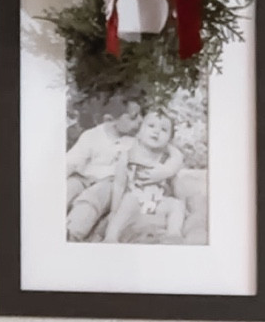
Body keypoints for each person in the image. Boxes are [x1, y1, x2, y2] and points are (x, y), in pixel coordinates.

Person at [65, 96, 142, 241]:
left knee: (92, 199)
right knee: (69, 187)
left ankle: (73, 231)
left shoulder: (134, 141)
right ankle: (46, 218)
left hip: (110, 183)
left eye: (140, 115)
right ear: (110, 120)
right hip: (83, 178)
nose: (140, 120)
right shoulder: (92, 135)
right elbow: (71, 162)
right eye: (134, 117)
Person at [103, 109, 186, 244]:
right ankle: (111, 236)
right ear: (139, 132)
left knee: (176, 205)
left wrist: (182, 202)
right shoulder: (128, 155)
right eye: (151, 126)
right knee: (128, 201)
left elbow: (177, 183)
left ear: (170, 139)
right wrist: (114, 210)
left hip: (158, 201)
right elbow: (119, 184)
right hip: (136, 200)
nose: (156, 131)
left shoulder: (167, 160)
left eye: (164, 130)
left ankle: (173, 233)